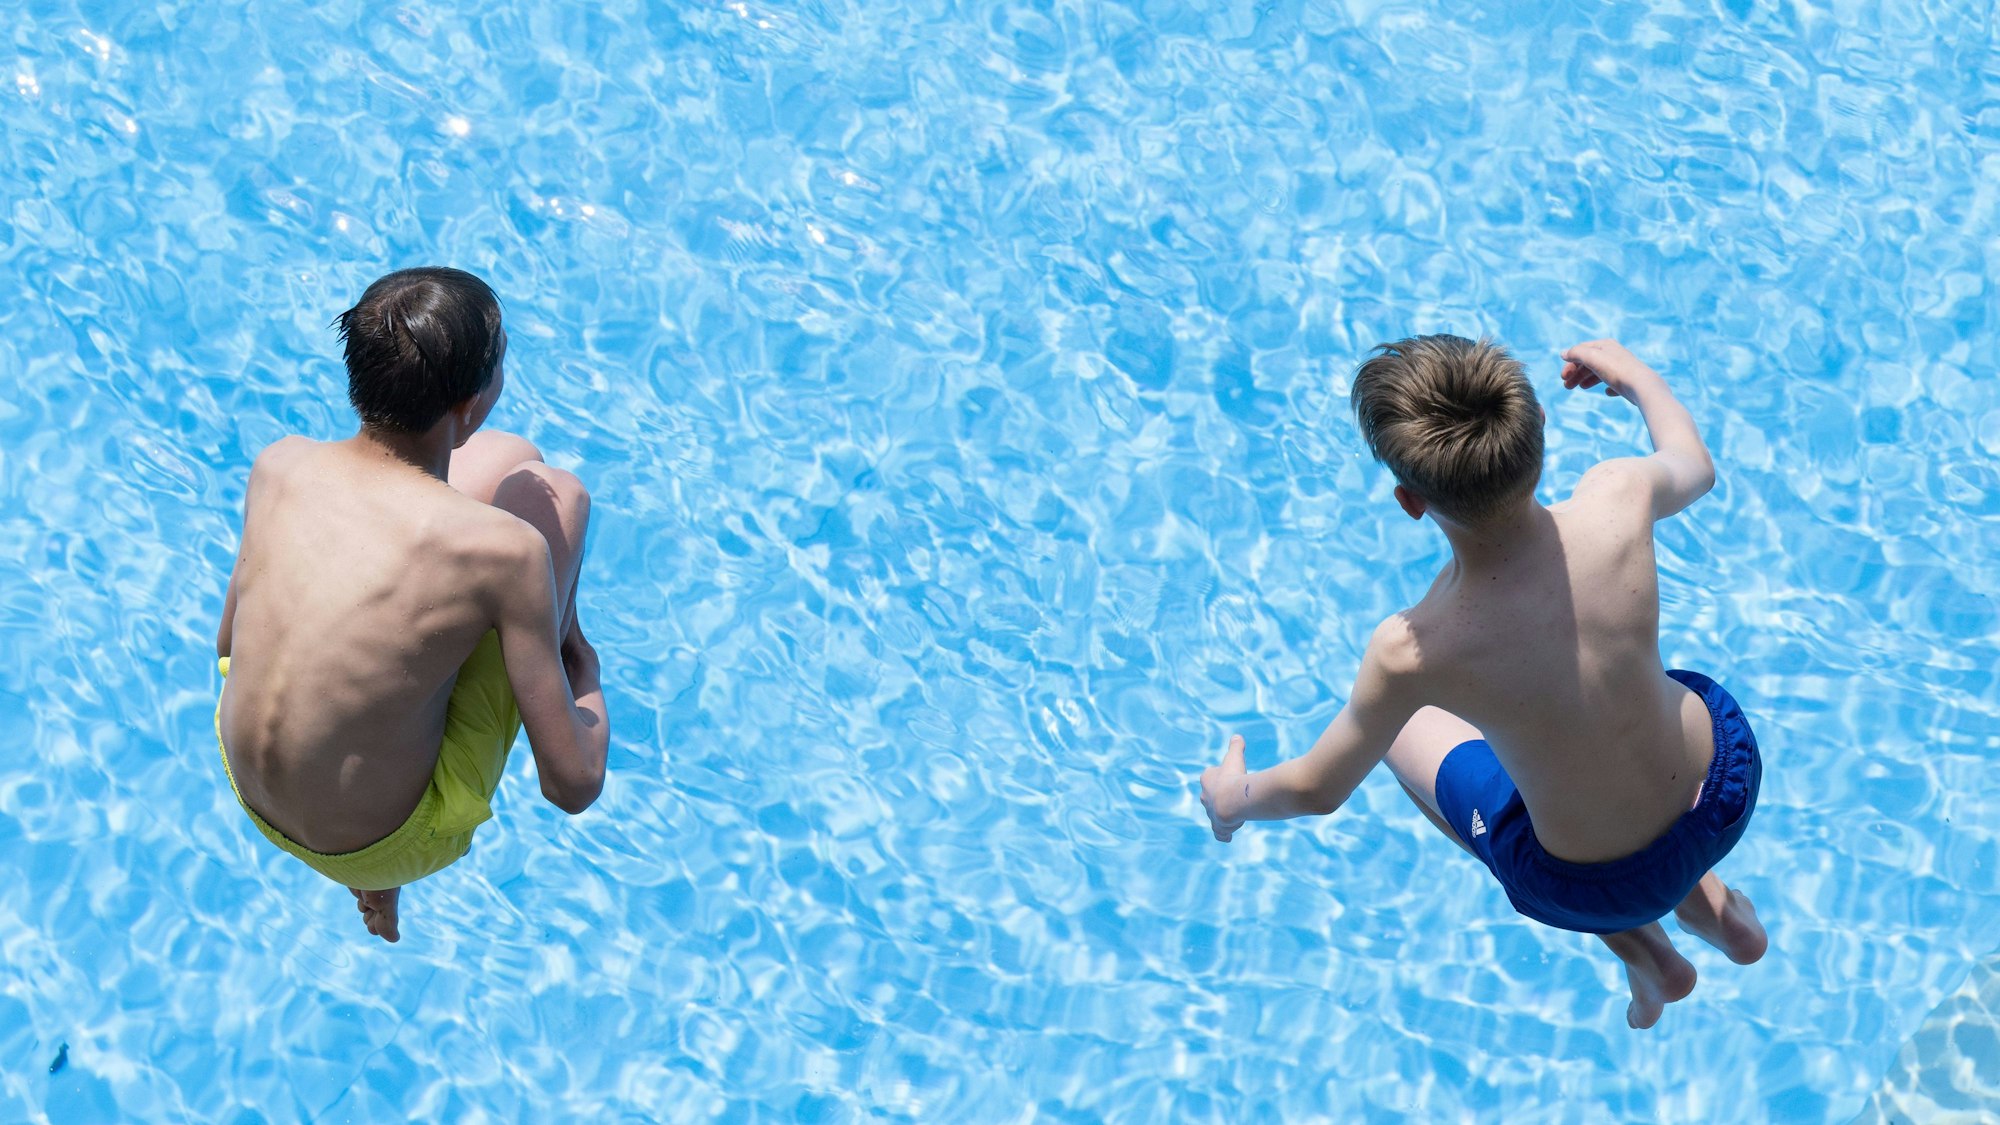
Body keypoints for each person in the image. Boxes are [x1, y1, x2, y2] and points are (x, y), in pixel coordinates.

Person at [1198, 335, 1766, 1028]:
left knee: (1400, 732)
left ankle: (1646, 950)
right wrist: (1635, 377)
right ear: (1541, 431)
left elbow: (1318, 789)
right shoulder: (1619, 495)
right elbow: (1695, 465)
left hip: (1597, 888)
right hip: (1724, 791)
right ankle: (1718, 910)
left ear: (1411, 501)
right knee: (1625, 712)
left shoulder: (1414, 650)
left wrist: (1234, 798)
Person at [214, 267, 609, 943]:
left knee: (513, 460)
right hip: (383, 840)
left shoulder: (279, 464)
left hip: (248, 782)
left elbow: (227, 646)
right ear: (469, 402)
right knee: (557, 496)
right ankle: (379, 867)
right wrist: (580, 657)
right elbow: (571, 785)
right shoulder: (505, 553)